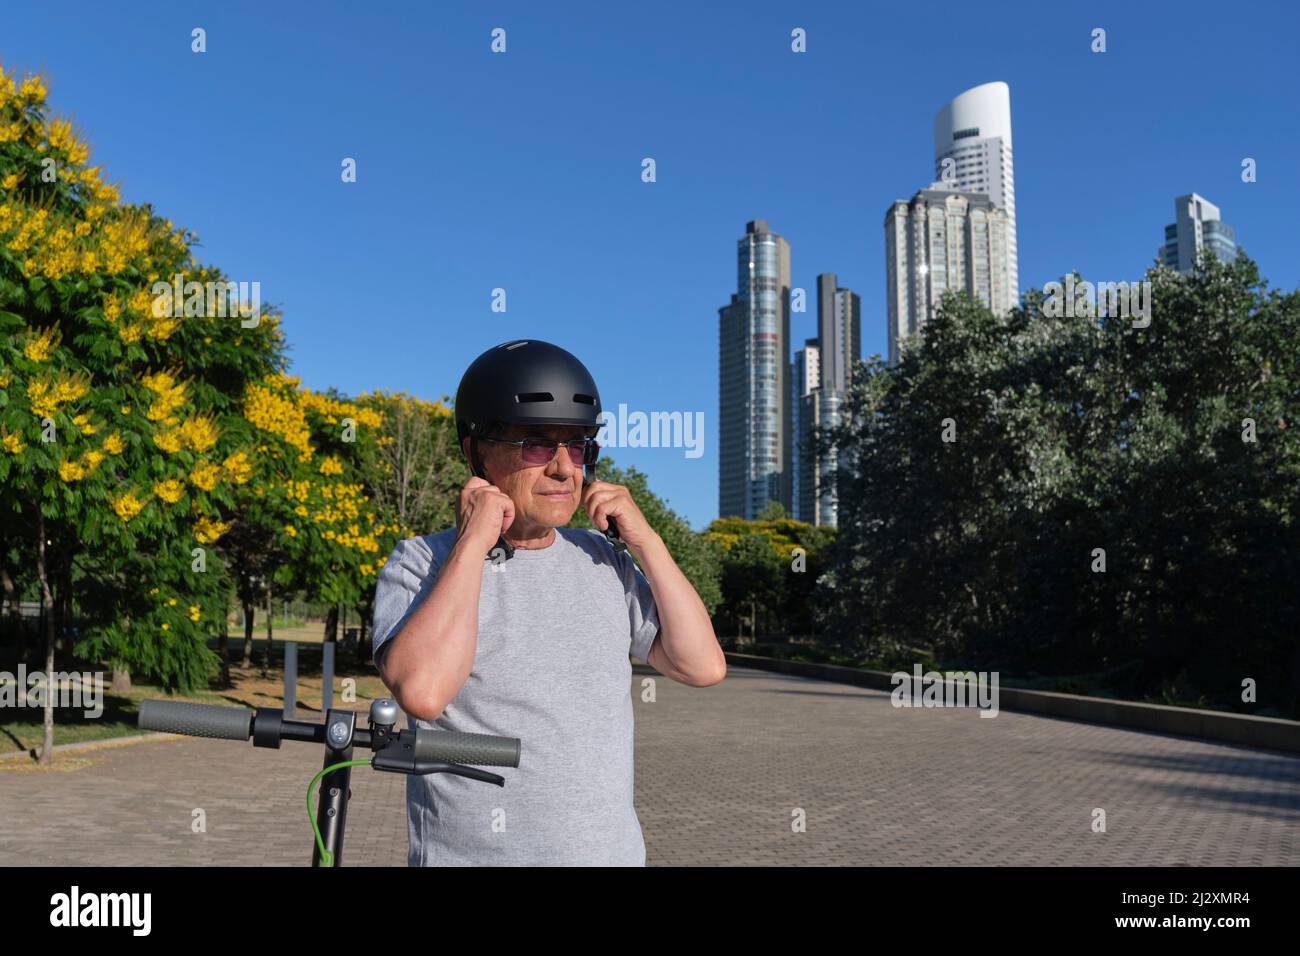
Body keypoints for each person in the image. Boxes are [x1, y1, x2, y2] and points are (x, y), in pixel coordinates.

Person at [371, 339, 724, 866]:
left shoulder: (606, 561)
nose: (563, 468)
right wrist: (473, 542)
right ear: (477, 452)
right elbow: (422, 691)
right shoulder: (421, 563)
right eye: (536, 445)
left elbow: (703, 665)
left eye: (577, 446)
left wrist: (648, 541)